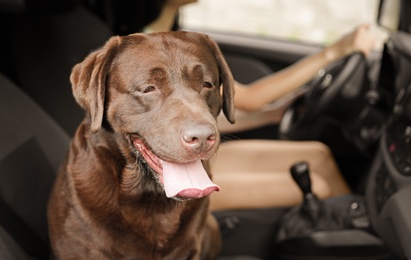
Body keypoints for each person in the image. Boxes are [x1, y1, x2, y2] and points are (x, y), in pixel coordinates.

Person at [101, 0, 377, 210]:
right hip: (152, 178)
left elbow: (206, 112)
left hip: (187, 151)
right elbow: (252, 98)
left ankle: (359, 238)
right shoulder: (144, 51)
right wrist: (335, 51)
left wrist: (272, 115)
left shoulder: (172, 38)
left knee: (319, 155)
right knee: (317, 184)